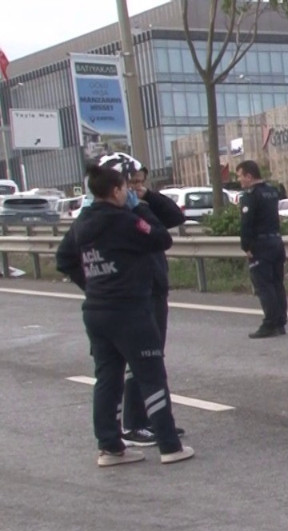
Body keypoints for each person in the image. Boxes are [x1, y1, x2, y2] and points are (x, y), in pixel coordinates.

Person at [55, 164, 194, 466]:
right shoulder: (124, 221)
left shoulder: (83, 221)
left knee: (107, 379)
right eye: (125, 189)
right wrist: (139, 211)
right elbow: (161, 238)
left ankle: (110, 447)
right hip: (130, 309)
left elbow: (63, 257)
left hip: (96, 310)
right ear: (117, 191)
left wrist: (91, 283)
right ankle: (170, 446)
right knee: (151, 375)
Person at [97, 153, 189, 447]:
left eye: (140, 183)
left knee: (153, 358)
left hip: (154, 287)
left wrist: (146, 195)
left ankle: (154, 418)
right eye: (131, 183)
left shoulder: (139, 205)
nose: (136, 188)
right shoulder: (113, 215)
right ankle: (134, 423)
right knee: (140, 362)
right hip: (132, 295)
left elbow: (174, 217)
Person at [236, 160, 288, 338]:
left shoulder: (250, 196)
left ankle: (270, 323)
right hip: (276, 242)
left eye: (240, 176)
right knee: (277, 284)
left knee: (264, 286)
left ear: (249, 176)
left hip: (260, 246)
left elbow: (246, 223)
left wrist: (246, 246)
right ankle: (280, 322)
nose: (239, 180)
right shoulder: (272, 191)